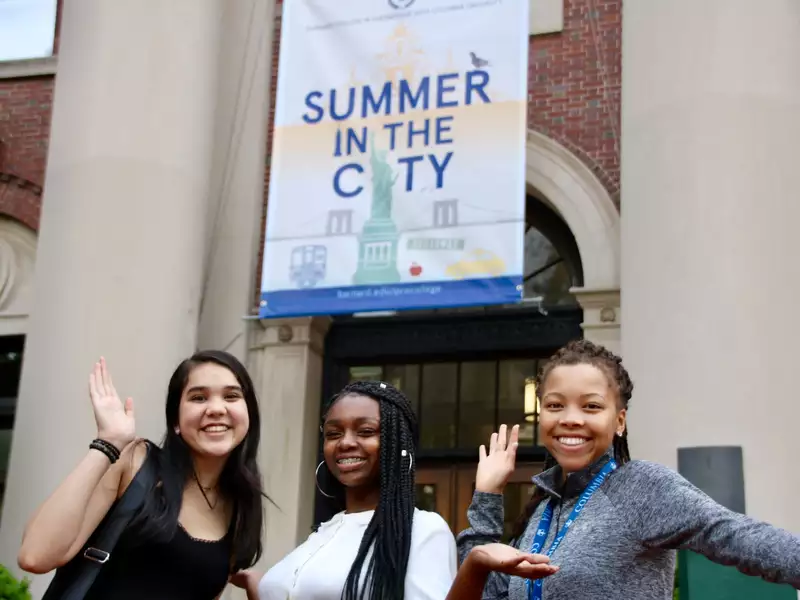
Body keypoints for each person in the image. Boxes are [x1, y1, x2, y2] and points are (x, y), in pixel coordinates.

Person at [457, 339, 800, 599]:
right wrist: (488, 495)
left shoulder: (643, 488)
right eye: (555, 405)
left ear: (619, 420)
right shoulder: (543, 508)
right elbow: (484, 592)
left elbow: (737, 536)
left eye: (591, 406)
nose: (570, 419)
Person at [18, 351, 266, 600]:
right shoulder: (136, 463)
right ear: (176, 421)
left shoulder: (241, 507)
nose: (216, 408)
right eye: (198, 398)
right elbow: (35, 556)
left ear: (249, 415)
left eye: (231, 396)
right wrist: (108, 443)